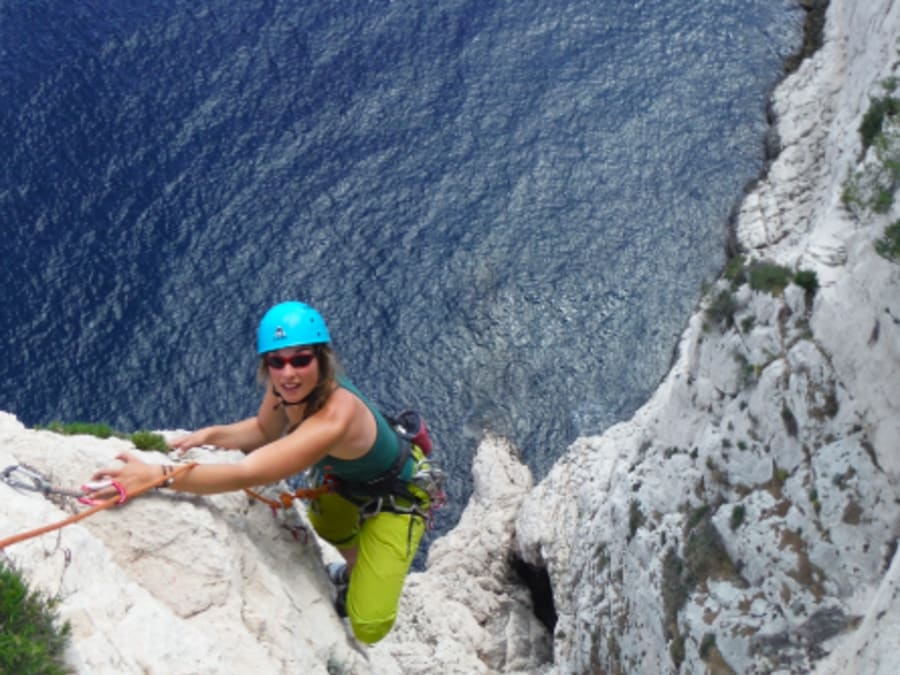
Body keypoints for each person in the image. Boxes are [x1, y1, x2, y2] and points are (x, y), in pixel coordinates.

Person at [86, 301, 437, 645]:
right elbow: (264, 431)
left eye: (301, 359)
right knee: (329, 525)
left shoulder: (335, 417)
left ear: (322, 359)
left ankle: (359, 583)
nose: (288, 373)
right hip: (348, 480)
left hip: (397, 494)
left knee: (369, 624)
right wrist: (213, 434)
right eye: (277, 362)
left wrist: (157, 474)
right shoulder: (287, 387)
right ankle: (353, 571)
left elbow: (245, 473)